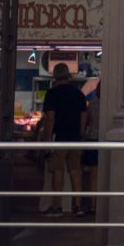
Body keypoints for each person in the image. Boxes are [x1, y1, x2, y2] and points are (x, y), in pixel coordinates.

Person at [41, 63, 87, 216]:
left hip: (58, 137)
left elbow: (50, 118)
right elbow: (83, 116)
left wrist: (47, 139)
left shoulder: (52, 94)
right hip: (74, 137)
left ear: (55, 77)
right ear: (69, 76)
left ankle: (57, 207)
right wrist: (80, 134)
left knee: (58, 171)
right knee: (75, 171)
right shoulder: (78, 94)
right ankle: (78, 206)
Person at [81, 81, 100, 214]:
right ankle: (102, 202)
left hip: (93, 140)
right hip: (108, 142)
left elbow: (84, 124)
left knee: (93, 175)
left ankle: (93, 204)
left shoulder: (92, 105)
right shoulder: (113, 107)